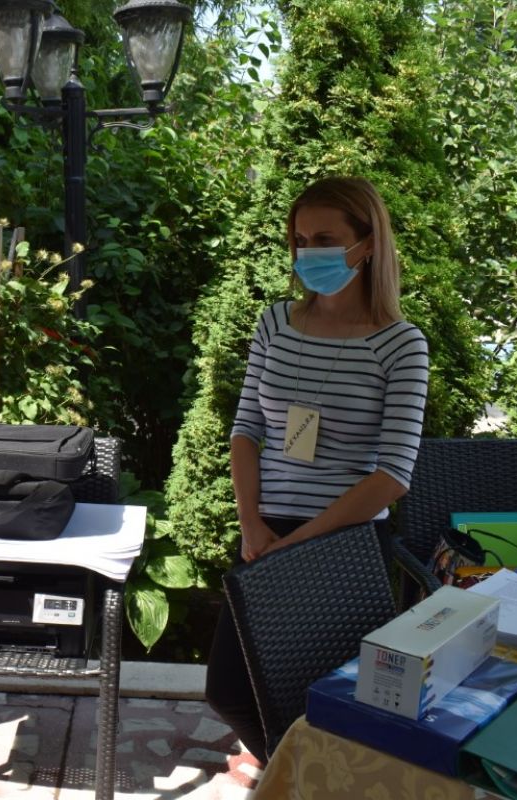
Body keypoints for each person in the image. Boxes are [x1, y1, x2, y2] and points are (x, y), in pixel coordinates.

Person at [205, 176, 429, 763]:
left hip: (343, 545)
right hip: (265, 533)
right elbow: (245, 430)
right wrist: (252, 525)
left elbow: (393, 474)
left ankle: (307, 780)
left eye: (325, 239)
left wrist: (297, 545)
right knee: (229, 692)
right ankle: (294, 777)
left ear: (367, 244)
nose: (309, 254)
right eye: (300, 241)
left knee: (326, 703)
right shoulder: (275, 322)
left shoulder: (401, 344)